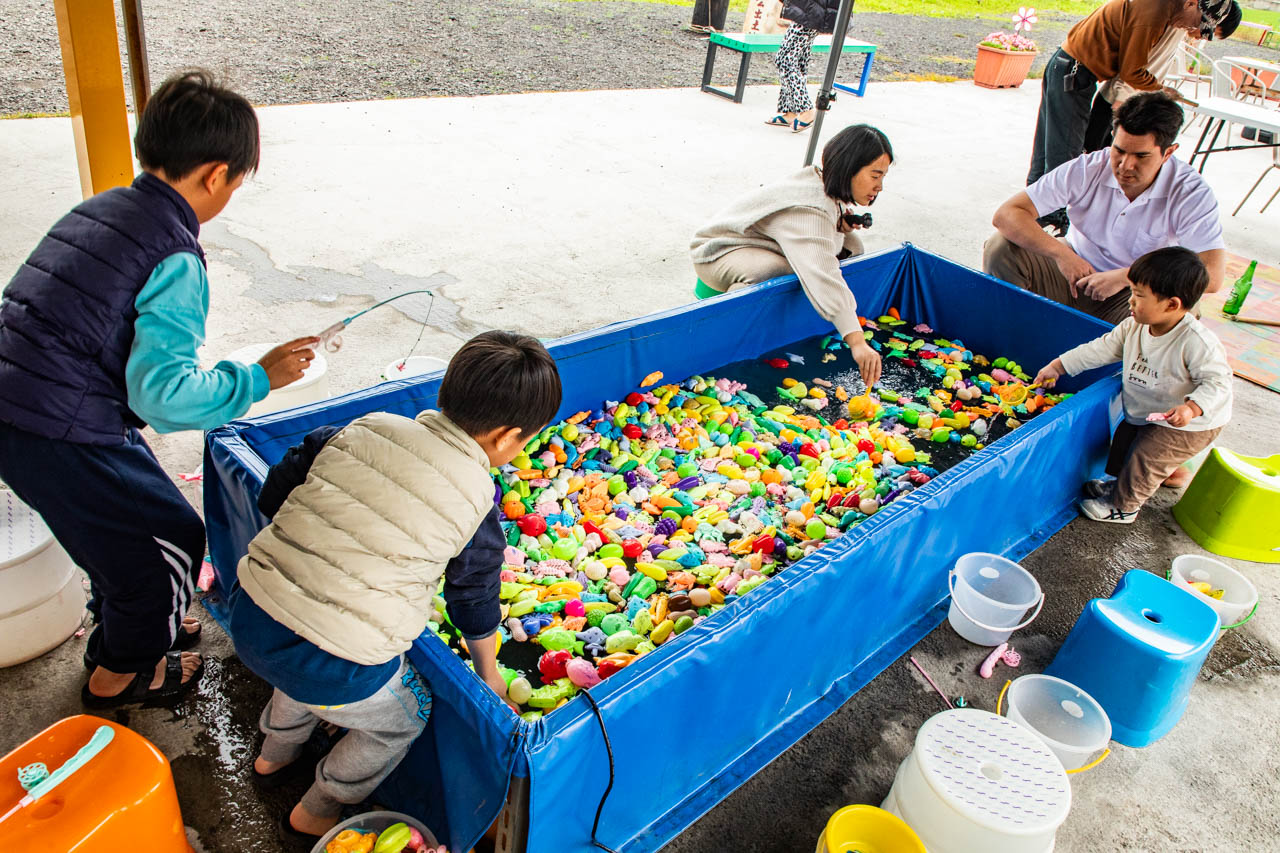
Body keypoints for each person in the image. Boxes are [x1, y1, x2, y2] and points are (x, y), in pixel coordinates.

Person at [0, 71, 317, 707]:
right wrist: (256, 378)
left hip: (25, 398)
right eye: (236, 182)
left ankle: (143, 619)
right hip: (56, 422)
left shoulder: (102, 207)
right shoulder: (175, 254)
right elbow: (162, 398)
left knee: (121, 532)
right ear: (216, 175)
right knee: (168, 540)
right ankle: (121, 674)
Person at [230, 330, 562, 839]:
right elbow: (471, 598)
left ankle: (273, 754)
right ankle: (319, 806)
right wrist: (488, 672)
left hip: (251, 612)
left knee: (300, 648)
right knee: (402, 716)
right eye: (525, 441)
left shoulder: (365, 426)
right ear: (505, 438)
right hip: (336, 663)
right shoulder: (476, 498)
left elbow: (278, 489)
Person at [985, 92, 1226, 326]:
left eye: (1141, 156)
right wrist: (1063, 255)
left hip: (1135, 295)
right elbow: (1007, 214)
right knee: (1001, 247)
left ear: (1168, 153)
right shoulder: (1088, 168)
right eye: (1119, 150)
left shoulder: (1190, 192)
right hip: (1073, 274)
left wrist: (1127, 277)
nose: (1125, 166)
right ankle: (1014, 331)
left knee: (1181, 313)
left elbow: (1212, 276)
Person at [1034, 247, 1231, 523]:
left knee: (1146, 458)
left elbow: (1218, 383)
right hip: (1150, 409)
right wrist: (1059, 365)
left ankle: (1124, 506)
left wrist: (1192, 408)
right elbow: (1100, 349)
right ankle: (1119, 486)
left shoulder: (1196, 342)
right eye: (1132, 292)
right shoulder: (1134, 326)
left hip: (1191, 424)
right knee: (1125, 444)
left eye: (1139, 296)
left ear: (1172, 304)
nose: (1130, 301)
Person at [691, 124, 891, 388]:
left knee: (852, 248)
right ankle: (727, 337)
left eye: (883, 177)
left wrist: (839, 224)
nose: (880, 186)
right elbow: (822, 273)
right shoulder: (808, 208)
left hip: (762, 244)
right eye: (875, 176)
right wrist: (856, 341)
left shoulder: (825, 183)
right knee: (774, 271)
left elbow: (823, 244)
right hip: (718, 251)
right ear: (848, 168)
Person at [1026, 0, 1230, 189]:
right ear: (1191, 3)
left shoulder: (1163, 10)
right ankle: (1054, 216)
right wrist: (1160, 89)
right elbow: (1132, 71)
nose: (1192, 29)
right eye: (1197, 22)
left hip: (1068, 66)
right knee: (1065, 153)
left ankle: (1034, 208)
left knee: (1050, 147)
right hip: (1074, 70)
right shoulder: (1154, 13)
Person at [1083, 3, 1242, 153]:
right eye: (1209, 32)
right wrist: (1121, 102)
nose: (1204, 38)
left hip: (1129, 101)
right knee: (1093, 157)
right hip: (1118, 101)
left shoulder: (1181, 27)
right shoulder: (1175, 25)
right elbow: (1136, 67)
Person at [765, 0, 843, 133]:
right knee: (799, 58)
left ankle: (805, 109)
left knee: (785, 58)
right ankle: (791, 111)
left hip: (812, 10)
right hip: (814, 10)